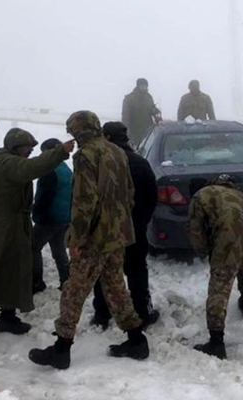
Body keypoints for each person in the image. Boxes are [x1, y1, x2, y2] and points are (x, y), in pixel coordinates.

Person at [29, 111, 149, 370]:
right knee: (115, 286)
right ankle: (136, 339)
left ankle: (61, 348)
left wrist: (78, 237)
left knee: (74, 290)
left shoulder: (86, 156)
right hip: (117, 234)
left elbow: (85, 201)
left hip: (94, 237)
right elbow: (129, 193)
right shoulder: (117, 152)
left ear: (77, 131)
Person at [0, 129, 73, 333]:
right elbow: (33, 168)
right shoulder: (9, 163)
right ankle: (6, 316)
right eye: (27, 147)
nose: (31, 150)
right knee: (12, 266)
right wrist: (59, 152)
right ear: (15, 147)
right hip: (6, 221)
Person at [188, 175, 243, 359]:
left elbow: (195, 230)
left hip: (230, 237)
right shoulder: (232, 192)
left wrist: (205, 251)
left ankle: (216, 342)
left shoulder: (199, 197)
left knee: (219, 287)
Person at [90, 122, 158, 329]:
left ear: (107, 138)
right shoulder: (141, 163)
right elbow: (151, 196)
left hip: (107, 230)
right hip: (135, 228)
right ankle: (143, 312)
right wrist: (141, 221)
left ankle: (102, 314)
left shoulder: (101, 163)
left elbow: (90, 198)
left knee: (104, 271)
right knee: (137, 270)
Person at [32, 138, 73, 294]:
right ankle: (66, 280)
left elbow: (44, 197)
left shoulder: (49, 171)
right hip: (64, 218)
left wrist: (36, 213)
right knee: (59, 249)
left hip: (49, 218)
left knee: (33, 247)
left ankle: (36, 282)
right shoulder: (66, 169)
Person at [121, 78, 162, 146]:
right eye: (142, 85)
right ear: (138, 86)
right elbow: (125, 116)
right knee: (134, 148)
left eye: (145, 85)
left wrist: (155, 111)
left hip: (147, 129)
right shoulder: (129, 98)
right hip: (134, 129)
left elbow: (151, 109)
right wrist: (126, 130)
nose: (144, 87)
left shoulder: (148, 97)